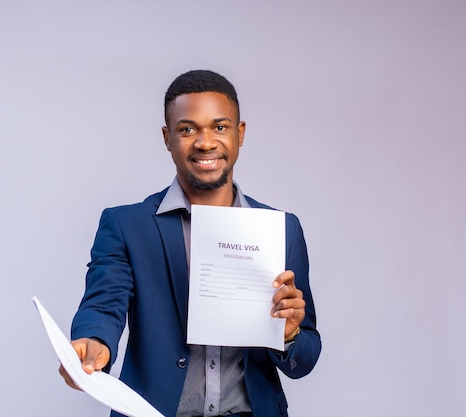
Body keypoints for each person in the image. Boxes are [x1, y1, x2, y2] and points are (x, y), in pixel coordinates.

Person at [60, 70, 321, 417]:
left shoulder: (281, 228)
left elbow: (304, 357)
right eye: (187, 129)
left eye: (220, 127)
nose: (205, 142)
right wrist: (94, 345)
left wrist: (288, 335)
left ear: (239, 134)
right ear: (168, 138)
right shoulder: (127, 225)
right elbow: (103, 304)